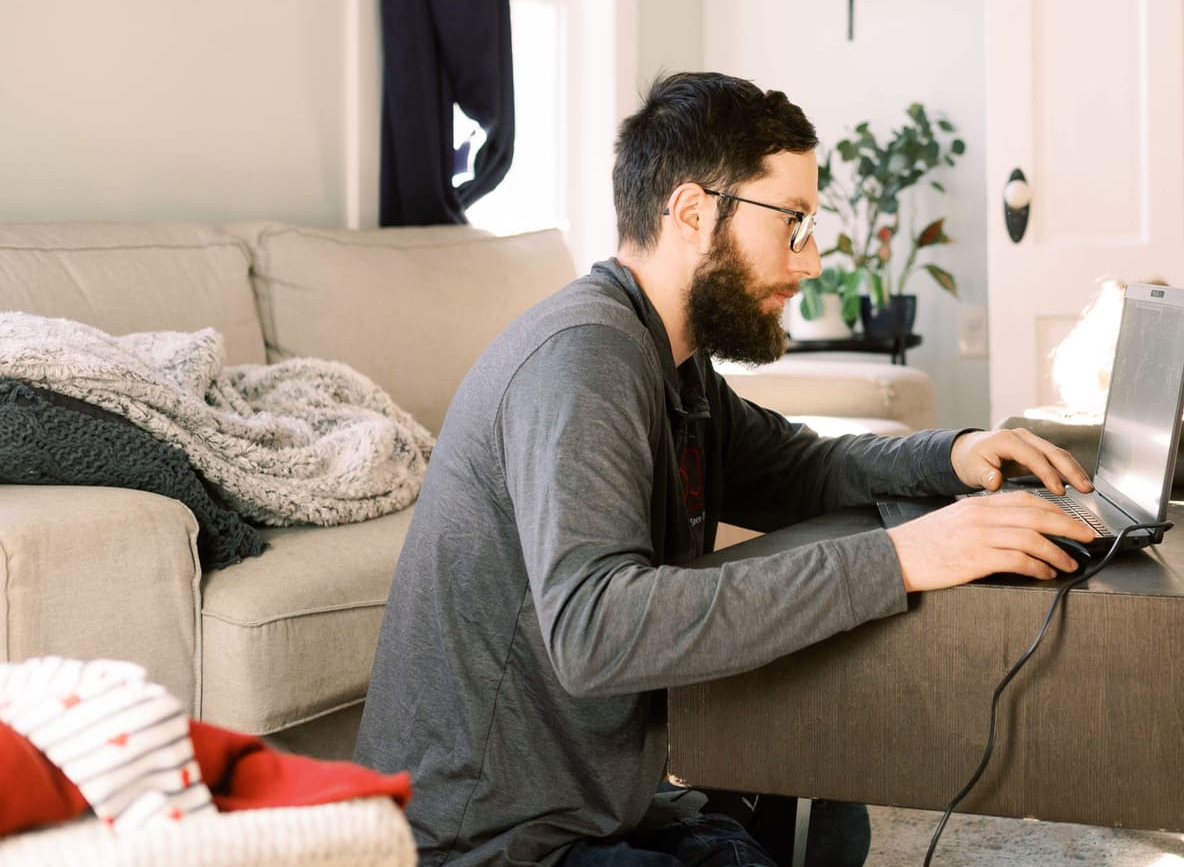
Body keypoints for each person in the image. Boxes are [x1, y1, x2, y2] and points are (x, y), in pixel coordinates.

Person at [355, 72, 1097, 867]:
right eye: (793, 225)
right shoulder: (584, 359)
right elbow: (596, 630)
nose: (809, 264)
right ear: (693, 212)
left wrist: (952, 455)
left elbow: (796, 470)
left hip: (599, 805)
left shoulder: (666, 358)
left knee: (825, 803)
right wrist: (905, 557)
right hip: (487, 841)